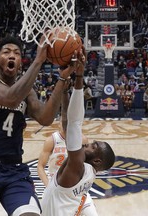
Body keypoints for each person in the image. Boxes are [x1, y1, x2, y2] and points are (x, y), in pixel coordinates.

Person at [0, 35, 80, 216]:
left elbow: (46, 118)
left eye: (17, 53)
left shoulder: (27, 91)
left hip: (15, 171)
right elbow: (10, 99)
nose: (12, 56)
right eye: (6, 52)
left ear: (20, 62)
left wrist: (62, 80)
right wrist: (39, 60)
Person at [41, 55, 116, 216]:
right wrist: (65, 93)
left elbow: (73, 123)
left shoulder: (76, 165)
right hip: (72, 204)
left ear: (97, 160)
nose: (86, 144)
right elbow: (69, 124)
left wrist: (79, 77)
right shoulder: (90, 172)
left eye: (92, 146)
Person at [37, 80, 99, 215]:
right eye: (62, 121)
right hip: (57, 185)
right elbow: (40, 166)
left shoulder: (82, 139)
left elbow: (86, 165)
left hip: (76, 187)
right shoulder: (51, 140)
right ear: (59, 123)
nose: (64, 124)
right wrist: (48, 185)